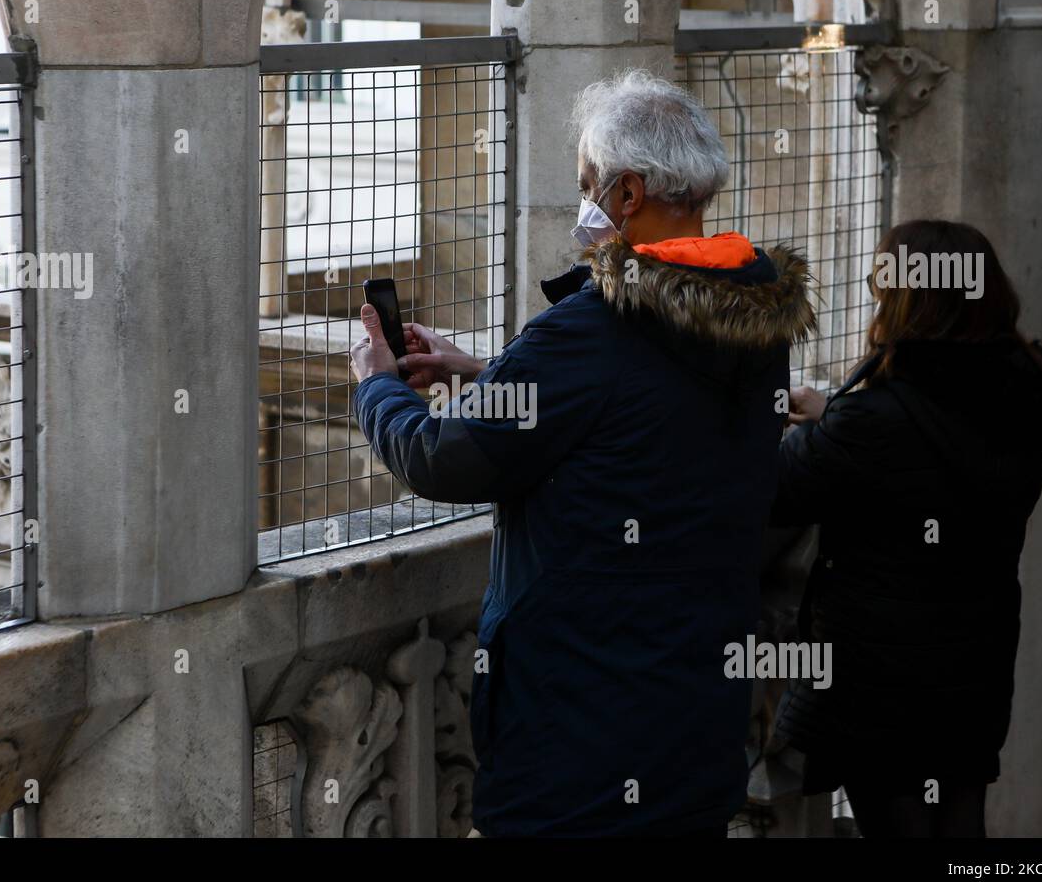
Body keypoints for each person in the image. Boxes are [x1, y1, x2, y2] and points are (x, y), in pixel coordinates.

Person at [349, 69, 814, 836]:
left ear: (628, 195)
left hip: (578, 730)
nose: (585, 204)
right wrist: (483, 371)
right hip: (697, 714)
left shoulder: (589, 332)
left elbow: (440, 456)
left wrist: (376, 385)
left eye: (588, 184)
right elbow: (645, 406)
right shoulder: (752, 315)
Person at [772, 219, 1042, 838]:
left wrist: (817, 423)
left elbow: (776, 491)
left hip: (880, 680)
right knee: (957, 821)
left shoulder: (872, 418)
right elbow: (933, 437)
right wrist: (836, 413)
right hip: (974, 661)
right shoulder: (1029, 391)